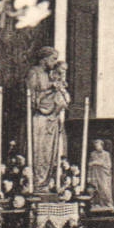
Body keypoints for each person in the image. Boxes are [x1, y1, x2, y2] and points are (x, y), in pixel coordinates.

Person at [28, 47, 70, 192]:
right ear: (44, 59)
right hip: (40, 117)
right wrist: (50, 89)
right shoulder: (35, 72)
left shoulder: (51, 74)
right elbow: (31, 97)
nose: (55, 62)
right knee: (39, 151)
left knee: (49, 152)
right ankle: (37, 183)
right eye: (53, 59)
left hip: (52, 117)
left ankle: (46, 183)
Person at [87, 139, 114, 209]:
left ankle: (108, 203)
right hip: (95, 174)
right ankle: (97, 203)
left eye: (98, 145)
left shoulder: (106, 154)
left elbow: (109, 165)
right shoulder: (92, 154)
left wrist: (98, 163)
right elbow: (89, 164)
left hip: (103, 175)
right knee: (95, 189)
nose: (96, 147)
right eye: (95, 145)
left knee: (105, 188)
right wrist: (89, 175)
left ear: (101, 145)